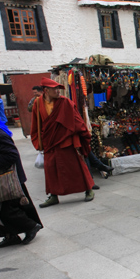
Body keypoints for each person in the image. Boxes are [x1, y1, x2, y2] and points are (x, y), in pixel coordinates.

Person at [30, 77, 95, 207]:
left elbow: (76, 120)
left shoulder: (65, 102)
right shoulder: (37, 104)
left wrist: (83, 133)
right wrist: (38, 141)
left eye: (58, 89)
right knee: (50, 169)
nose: (58, 91)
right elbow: (36, 124)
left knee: (75, 166)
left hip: (65, 140)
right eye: (55, 89)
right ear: (46, 90)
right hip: (49, 141)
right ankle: (53, 195)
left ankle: (89, 189)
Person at [0, 99, 42, 248]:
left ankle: (30, 226)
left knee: (7, 210)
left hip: (6, 178)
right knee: (0, 211)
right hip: (0, 178)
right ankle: (10, 235)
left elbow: (11, 154)